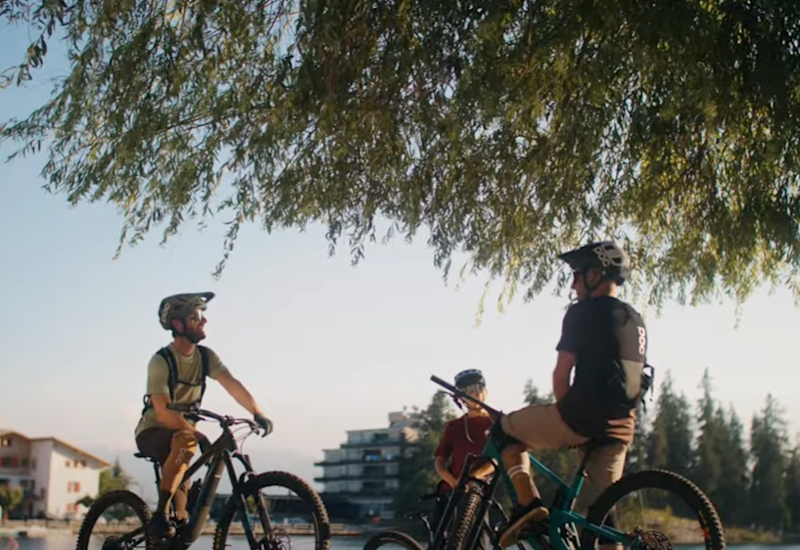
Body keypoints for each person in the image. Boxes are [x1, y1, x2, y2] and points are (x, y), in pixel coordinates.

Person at [495, 241, 648, 548]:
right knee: (603, 514)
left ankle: (529, 505)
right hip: (621, 427)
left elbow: (561, 374)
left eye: (577, 274)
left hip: (580, 417)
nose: (573, 283)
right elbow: (634, 379)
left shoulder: (581, 313)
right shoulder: (636, 319)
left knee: (502, 433)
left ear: (596, 274)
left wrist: (569, 419)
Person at [134, 292, 274, 539]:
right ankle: (159, 515)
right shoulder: (161, 361)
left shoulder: (206, 357)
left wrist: (257, 412)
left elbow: (232, 384)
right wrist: (197, 435)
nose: (204, 321)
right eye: (196, 316)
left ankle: (172, 520)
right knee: (186, 441)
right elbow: (164, 412)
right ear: (178, 325)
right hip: (154, 431)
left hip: (184, 436)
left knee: (183, 525)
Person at [432, 369, 495, 534]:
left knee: (479, 540)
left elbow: (497, 460)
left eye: (476, 391)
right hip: (451, 492)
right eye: (467, 393)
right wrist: (452, 481)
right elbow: (439, 460)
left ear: (485, 392)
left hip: (478, 492)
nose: (473, 396)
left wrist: (475, 477)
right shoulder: (455, 426)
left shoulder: (495, 423)